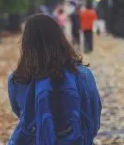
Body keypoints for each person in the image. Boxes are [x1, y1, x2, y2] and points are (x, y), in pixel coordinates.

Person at [8, 14, 101, 145]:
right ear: (60, 38)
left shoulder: (17, 79)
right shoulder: (83, 75)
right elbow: (93, 117)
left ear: (26, 42)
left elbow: (23, 115)